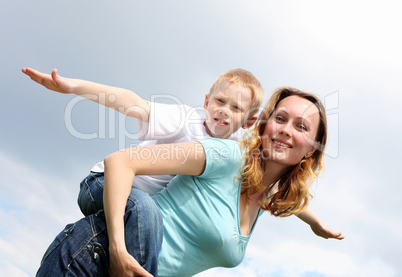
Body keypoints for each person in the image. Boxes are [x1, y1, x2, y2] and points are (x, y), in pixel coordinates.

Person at [35, 87, 344, 277]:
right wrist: (117, 249)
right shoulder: (227, 155)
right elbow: (120, 162)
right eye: (280, 118)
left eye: (301, 126)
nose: (286, 129)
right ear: (264, 126)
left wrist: (314, 222)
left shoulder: (265, 201)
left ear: (312, 150)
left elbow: (291, 201)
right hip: (94, 259)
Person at [21, 67, 263, 199]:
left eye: (236, 108)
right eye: (220, 101)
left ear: (249, 121)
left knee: (152, 216)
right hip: (105, 183)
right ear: (207, 101)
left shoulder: (231, 151)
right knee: (147, 214)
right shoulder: (186, 119)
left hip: (140, 201)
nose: (224, 111)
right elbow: (132, 103)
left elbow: (265, 179)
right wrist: (73, 87)